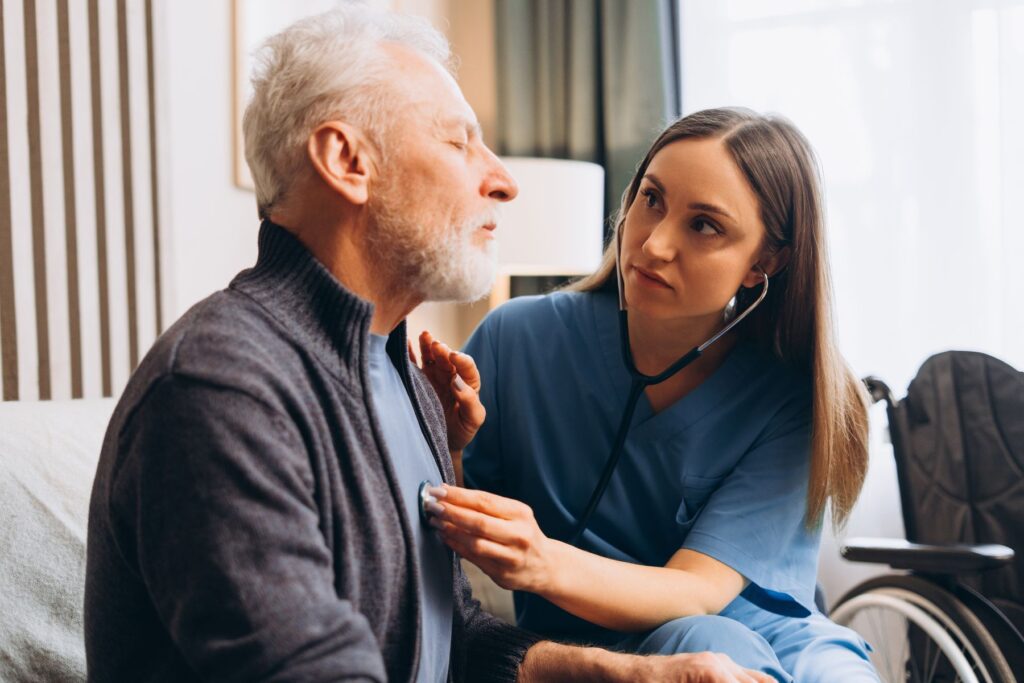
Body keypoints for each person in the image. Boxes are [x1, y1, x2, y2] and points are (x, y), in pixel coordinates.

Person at [83, 5, 771, 682]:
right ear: (347, 160)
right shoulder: (221, 386)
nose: (502, 179)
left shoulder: (402, 378)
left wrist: (633, 675)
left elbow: (452, 639)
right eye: (458, 141)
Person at [420, 108, 880, 682]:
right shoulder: (518, 339)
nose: (655, 244)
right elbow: (445, 521)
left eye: (704, 225)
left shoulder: (795, 398)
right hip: (628, 645)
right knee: (711, 649)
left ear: (764, 263)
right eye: (652, 199)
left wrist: (540, 560)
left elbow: (698, 589)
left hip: (767, 635)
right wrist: (452, 445)